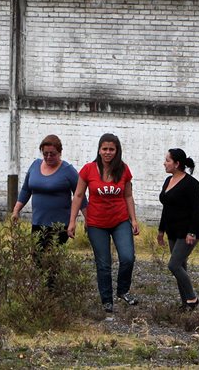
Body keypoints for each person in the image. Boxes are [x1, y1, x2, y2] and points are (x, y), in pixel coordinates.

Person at [68, 133, 139, 313]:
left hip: (120, 220)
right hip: (96, 223)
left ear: (117, 151)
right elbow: (77, 196)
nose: (108, 152)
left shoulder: (123, 170)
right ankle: (107, 300)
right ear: (99, 150)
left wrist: (134, 219)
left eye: (111, 149)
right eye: (104, 149)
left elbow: (128, 195)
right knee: (104, 264)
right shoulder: (88, 169)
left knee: (128, 257)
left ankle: (123, 291)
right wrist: (72, 221)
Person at [11, 134, 79, 246]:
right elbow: (26, 190)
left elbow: (79, 196)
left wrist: (82, 221)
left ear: (60, 152)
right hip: (38, 223)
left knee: (52, 260)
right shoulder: (35, 165)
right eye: (45, 154)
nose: (48, 157)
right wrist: (16, 210)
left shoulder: (68, 170)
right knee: (36, 258)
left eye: (52, 154)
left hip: (59, 225)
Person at [157, 148, 199, 309]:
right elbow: (166, 207)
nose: (164, 163)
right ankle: (186, 304)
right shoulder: (168, 181)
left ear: (177, 164)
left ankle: (192, 298)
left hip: (188, 231)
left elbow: (196, 211)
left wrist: (192, 232)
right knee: (181, 266)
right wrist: (161, 230)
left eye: (168, 160)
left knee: (174, 265)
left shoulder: (191, 184)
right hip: (172, 230)